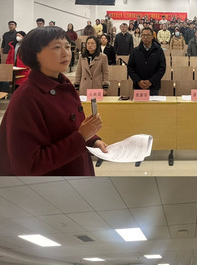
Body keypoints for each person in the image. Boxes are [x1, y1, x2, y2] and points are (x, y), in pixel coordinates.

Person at [0, 26, 107, 176]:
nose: (66, 53)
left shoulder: (63, 85)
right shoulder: (26, 99)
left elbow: (69, 130)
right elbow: (28, 165)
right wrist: (81, 137)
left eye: (67, 47)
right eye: (57, 47)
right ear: (35, 54)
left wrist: (92, 139)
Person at [127, 27, 166, 96]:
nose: (145, 37)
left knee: (153, 103)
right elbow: (130, 68)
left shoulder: (159, 51)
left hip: (153, 86)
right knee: (139, 103)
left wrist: (151, 81)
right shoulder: (135, 51)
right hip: (138, 86)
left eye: (148, 35)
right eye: (143, 35)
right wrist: (138, 81)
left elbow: (162, 68)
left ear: (152, 37)